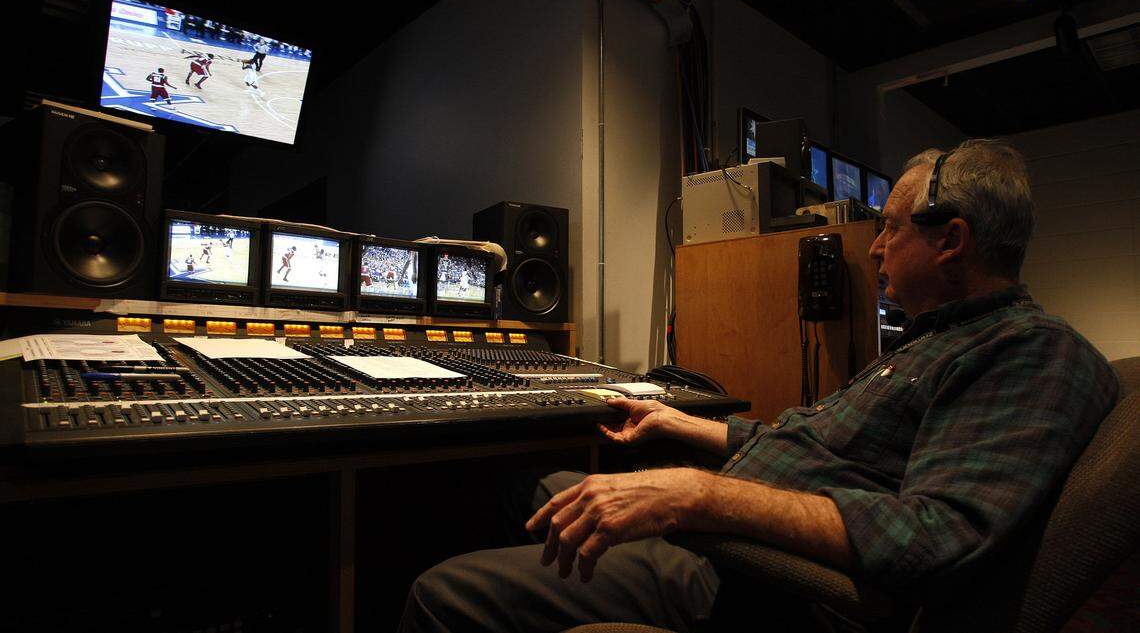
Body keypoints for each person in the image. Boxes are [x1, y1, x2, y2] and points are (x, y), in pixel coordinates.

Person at [398, 139, 1120, 633]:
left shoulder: (1033, 353)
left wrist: (696, 493)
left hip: (767, 584)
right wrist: (678, 426)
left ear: (951, 240)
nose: (873, 247)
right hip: (732, 534)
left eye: (891, 229)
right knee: (526, 487)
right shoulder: (935, 339)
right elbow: (811, 443)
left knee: (441, 593)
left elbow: (935, 536)